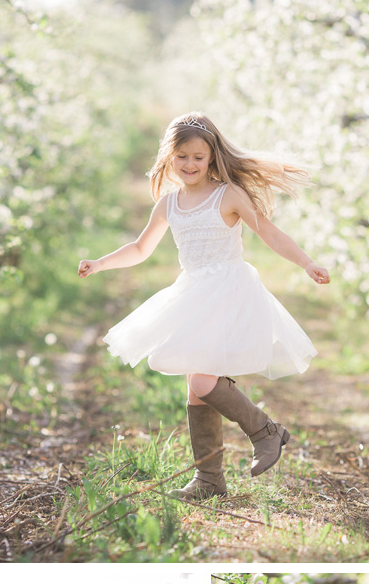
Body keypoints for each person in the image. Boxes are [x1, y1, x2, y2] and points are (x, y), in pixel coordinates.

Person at [79, 112, 329, 502]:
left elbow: (270, 233)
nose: (190, 165)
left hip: (229, 291)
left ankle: (266, 431)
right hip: (194, 293)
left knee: (201, 381)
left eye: (198, 157)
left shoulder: (227, 195)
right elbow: (141, 249)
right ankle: (209, 481)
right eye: (182, 157)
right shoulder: (168, 204)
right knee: (197, 390)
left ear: (211, 156)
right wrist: (100, 263)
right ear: (169, 158)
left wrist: (307, 262)